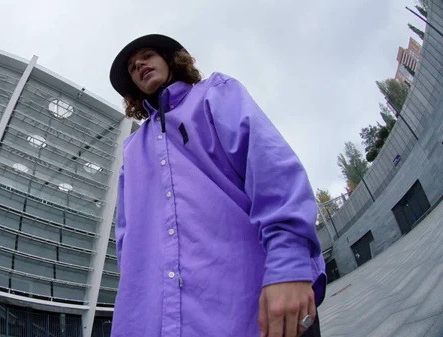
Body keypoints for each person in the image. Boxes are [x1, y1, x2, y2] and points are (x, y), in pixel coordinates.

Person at [108, 34, 326, 337]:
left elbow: (271, 171)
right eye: (132, 67)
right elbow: (126, 239)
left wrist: (288, 264)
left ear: (171, 60)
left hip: (259, 308)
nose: (139, 65)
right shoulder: (132, 151)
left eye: (146, 55)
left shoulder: (216, 93)